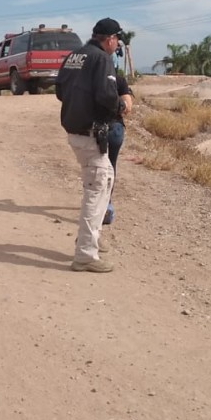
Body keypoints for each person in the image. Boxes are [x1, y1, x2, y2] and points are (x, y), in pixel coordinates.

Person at [55, 17, 130, 273]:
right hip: (89, 133)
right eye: (117, 39)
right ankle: (86, 254)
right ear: (109, 39)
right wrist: (121, 106)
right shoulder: (101, 59)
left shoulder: (74, 56)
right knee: (97, 188)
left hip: (76, 130)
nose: (117, 44)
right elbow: (107, 96)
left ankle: (91, 238)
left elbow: (59, 92)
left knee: (104, 179)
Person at [103, 73, 133, 225]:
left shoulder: (88, 75)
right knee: (111, 165)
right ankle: (107, 203)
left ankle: (95, 202)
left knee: (93, 167)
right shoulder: (119, 80)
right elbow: (128, 107)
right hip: (114, 128)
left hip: (91, 129)